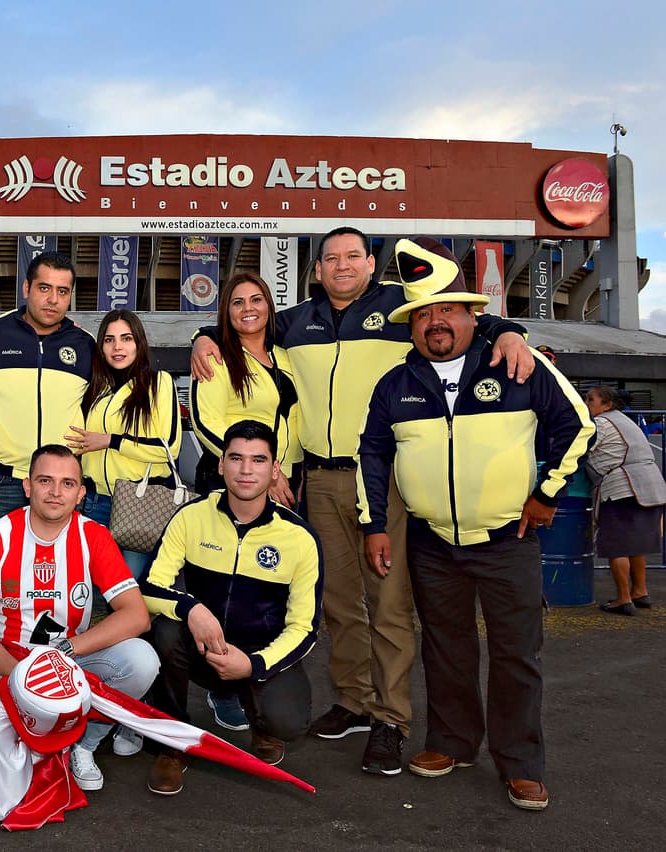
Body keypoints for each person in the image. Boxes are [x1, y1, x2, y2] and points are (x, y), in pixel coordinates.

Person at [191, 226, 535, 776]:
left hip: (385, 478)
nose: (343, 265)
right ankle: (352, 700)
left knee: (390, 604)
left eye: (354, 256)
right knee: (338, 602)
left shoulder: (404, 307)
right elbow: (241, 324)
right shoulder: (294, 321)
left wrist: (511, 332)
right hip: (319, 481)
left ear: (371, 265)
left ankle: (390, 718)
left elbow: (467, 319)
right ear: (318, 268)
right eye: (332, 258)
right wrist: (202, 339)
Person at [357, 237, 592, 811]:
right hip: (433, 544)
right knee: (446, 648)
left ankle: (521, 763)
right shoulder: (396, 383)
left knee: (517, 653)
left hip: (508, 539)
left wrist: (545, 494)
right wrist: (374, 525)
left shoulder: (517, 365)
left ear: (471, 314)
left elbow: (578, 427)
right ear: (412, 325)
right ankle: (453, 743)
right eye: (424, 314)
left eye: (447, 309)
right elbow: (372, 455)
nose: (435, 322)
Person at [0, 251, 95, 754]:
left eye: (63, 291)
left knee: (61, 599)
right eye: (44, 288)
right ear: (26, 289)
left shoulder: (85, 345)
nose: (53, 299)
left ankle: (56, 703)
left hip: (59, 489)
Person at [0, 444, 159, 792]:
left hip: (69, 658)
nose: (55, 492)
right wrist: (24, 678)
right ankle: (37, 737)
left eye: (67, 484)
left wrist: (66, 649)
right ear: (28, 486)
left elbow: (137, 615)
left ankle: (84, 743)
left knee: (141, 661)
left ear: (80, 494)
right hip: (8, 660)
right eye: (45, 480)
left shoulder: (93, 536)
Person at [141, 419, 322, 795]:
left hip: (257, 656)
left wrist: (254, 665)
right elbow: (148, 587)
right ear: (221, 464)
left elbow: (304, 629)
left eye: (258, 460)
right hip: (204, 647)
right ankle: (173, 743)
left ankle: (260, 719)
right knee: (163, 629)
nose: (245, 469)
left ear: (274, 470)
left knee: (289, 722)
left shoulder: (300, 538)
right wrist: (190, 608)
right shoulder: (190, 516)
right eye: (236, 458)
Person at [66, 308, 181, 581]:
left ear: (139, 343)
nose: (118, 346)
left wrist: (111, 441)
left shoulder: (158, 383)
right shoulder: (94, 389)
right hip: (94, 503)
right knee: (85, 586)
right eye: (109, 339)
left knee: (124, 588)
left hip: (140, 504)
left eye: (126, 338)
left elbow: (169, 448)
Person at [189, 272, 299, 503]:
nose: (248, 308)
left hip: (288, 482)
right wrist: (260, 469)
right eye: (238, 302)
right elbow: (205, 422)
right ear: (227, 312)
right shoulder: (215, 357)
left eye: (256, 300)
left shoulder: (286, 356)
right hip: (234, 482)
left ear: (268, 305)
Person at [583, 385, 666, 615]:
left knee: (616, 545)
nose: (586, 403)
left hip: (623, 486)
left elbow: (580, 448)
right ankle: (640, 591)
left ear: (607, 405)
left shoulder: (600, 423)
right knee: (635, 546)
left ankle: (623, 598)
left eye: (591, 400)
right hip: (650, 484)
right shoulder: (625, 420)